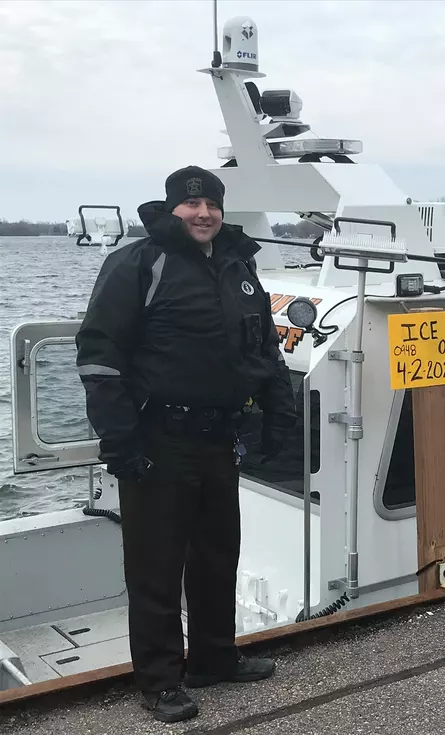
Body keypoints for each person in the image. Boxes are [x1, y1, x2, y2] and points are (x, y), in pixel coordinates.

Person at [76, 165, 298, 723]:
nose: (203, 214)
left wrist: (278, 416)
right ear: (173, 208)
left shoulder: (238, 265)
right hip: (158, 440)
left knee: (217, 555)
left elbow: (264, 348)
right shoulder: (137, 263)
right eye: (192, 205)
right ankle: (159, 680)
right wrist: (120, 442)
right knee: (155, 568)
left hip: (219, 438)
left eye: (212, 206)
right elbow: (100, 356)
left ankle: (214, 657)